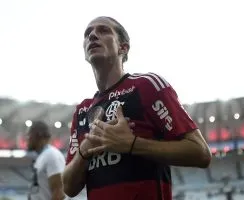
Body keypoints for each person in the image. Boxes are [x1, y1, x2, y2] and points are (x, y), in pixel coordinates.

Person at [62, 16, 212, 200]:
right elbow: (68, 188)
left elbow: (201, 153)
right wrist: (84, 151)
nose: (93, 35)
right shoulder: (83, 111)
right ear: (85, 53)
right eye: (88, 34)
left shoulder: (146, 85)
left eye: (103, 30)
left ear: (123, 48)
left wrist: (132, 144)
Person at [27, 121, 66, 200]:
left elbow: (59, 193)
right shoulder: (43, 156)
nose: (27, 139)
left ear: (38, 135)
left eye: (29, 135)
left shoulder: (51, 155)